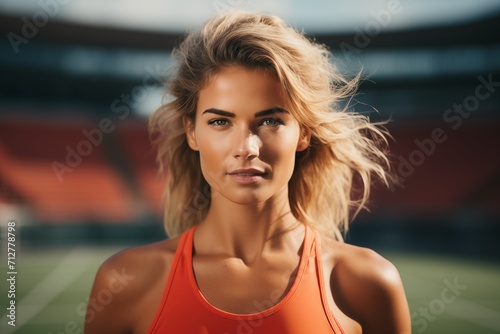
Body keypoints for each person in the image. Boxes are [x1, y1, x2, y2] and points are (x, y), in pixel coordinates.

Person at [85, 10, 411, 334]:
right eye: (220, 121)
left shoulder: (368, 284)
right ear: (192, 132)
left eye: (270, 120)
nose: (247, 148)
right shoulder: (124, 283)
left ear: (304, 133)